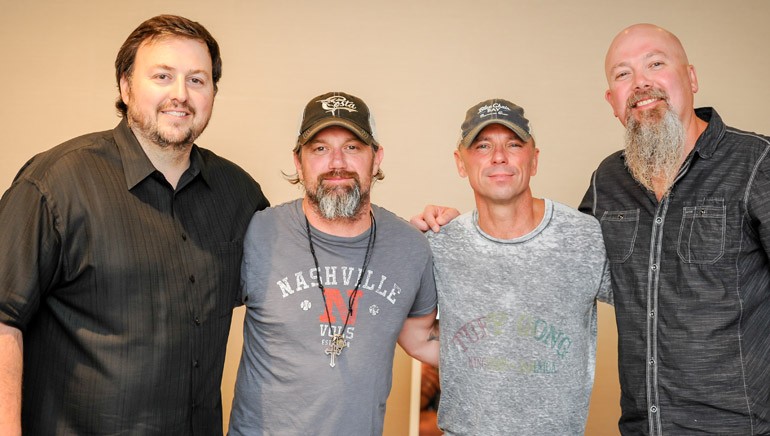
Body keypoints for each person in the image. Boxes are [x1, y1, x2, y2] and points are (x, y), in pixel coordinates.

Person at [0, 15, 269, 435]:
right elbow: (3, 317)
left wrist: (400, 237)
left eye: (197, 80)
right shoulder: (56, 183)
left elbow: (301, 272)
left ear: (214, 92)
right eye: (163, 76)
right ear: (125, 87)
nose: (180, 95)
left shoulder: (239, 194)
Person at [578, 23, 770, 434]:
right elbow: (556, 261)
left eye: (656, 63)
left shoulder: (757, 164)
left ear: (692, 78)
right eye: (623, 73)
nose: (641, 82)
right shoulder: (607, 181)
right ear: (612, 100)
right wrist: (454, 230)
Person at [228, 91, 438, 435]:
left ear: (377, 158)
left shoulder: (411, 247)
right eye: (320, 149)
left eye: (353, 147)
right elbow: (198, 320)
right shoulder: (258, 233)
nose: (337, 162)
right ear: (298, 161)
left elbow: (423, 340)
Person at [422, 99, 611, 435]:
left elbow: (651, 309)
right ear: (460, 163)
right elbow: (413, 333)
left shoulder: (585, 236)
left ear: (534, 159)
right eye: (483, 146)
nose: (499, 157)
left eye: (513, 144)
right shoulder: (440, 243)